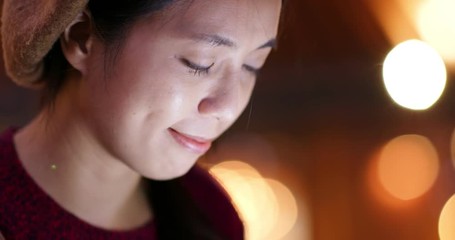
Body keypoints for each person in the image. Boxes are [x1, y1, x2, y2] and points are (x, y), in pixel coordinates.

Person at [0, 0, 282, 239]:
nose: (229, 107)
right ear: (81, 36)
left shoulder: (212, 214)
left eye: (252, 65)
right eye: (201, 61)